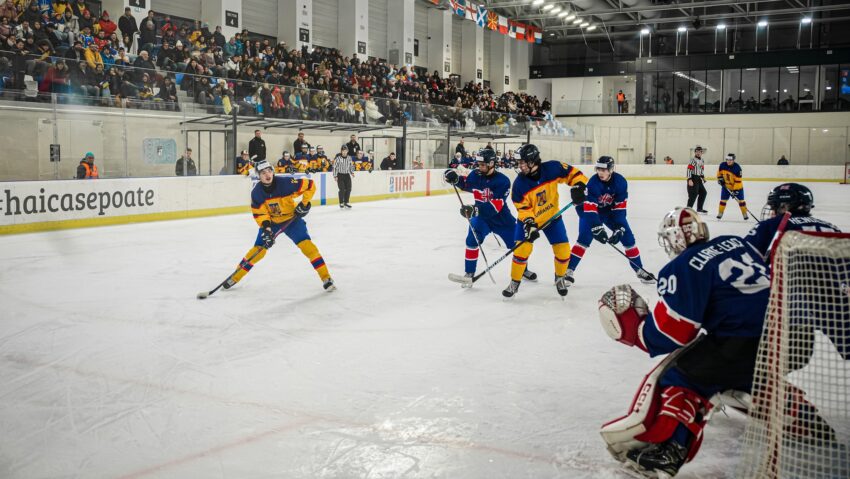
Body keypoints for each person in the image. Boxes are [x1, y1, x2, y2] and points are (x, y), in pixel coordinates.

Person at [598, 207, 771, 478]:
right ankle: (804, 418)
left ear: (676, 238)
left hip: (742, 345)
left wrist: (637, 330)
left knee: (680, 378)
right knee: (744, 375)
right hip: (789, 340)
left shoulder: (682, 266)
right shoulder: (736, 242)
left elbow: (674, 335)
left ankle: (670, 452)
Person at [223, 160, 334, 291]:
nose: (267, 174)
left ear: (273, 172)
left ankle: (326, 278)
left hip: (292, 220)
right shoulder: (257, 193)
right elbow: (261, 214)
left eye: (269, 171)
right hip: (273, 223)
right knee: (258, 251)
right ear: (258, 175)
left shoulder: (286, 183)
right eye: (263, 173)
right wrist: (267, 230)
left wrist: (304, 204)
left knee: (308, 248)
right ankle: (235, 276)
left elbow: (310, 185)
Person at [504, 143, 587, 298]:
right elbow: (523, 209)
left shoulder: (553, 168)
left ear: (532, 161)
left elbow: (573, 174)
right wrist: (529, 224)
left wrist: (580, 187)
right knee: (521, 251)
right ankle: (515, 282)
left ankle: (560, 278)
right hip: (529, 221)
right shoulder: (519, 184)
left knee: (563, 251)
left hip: (552, 218)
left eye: (522, 162)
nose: (519, 165)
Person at [444, 149, 537, 286]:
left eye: (482, 165)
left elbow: (496, 206)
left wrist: (475, 209)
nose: (479, 167)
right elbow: (465, 183)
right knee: (471, 240)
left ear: (491, 163)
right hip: (482, 218)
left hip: (502, 219)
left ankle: (523, 270)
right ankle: (469, 273)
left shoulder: (503, 181)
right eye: (478, 164)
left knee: (518, 244)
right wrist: (453, 177)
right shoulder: (475, 175)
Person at [567, 156, 653, 287]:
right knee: (584, 239)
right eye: (598, 169)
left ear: (611, 169)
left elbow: (620, 208)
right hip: (591, 212)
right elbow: (590, 209)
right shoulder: (593, 183)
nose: (600, 172)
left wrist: (619, 228)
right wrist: (596, 227)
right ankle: (568, 271)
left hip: (609, 212)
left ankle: (639, 270)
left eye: (604, 169)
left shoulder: (620, 182)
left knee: (628, 238)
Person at [745, 183, 841, 260]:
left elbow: (745, 257)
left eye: (774, 206)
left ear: (784, 206)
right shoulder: (833, 228)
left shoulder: (770, 226)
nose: (772, 212)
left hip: (788, 283)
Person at [716, 153, 748, 220]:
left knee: (741, 201)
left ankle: (744, 214)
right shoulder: (722, 165)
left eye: (730, 160)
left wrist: (735, 191)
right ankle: (720, 213)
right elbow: (719, 173)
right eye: (727, 159)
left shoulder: (737, 168)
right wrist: (720, 179)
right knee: (723, 200)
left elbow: (738, 181)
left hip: (737, 187)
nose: (728, 161)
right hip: (726, 187)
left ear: (733, 160)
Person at [686, 145, 707, 213]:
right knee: (693, 194)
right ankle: (688, 210)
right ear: (695, 152)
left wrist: (703, 177)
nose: (698, 153)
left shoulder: (702, 160)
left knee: (703, 192)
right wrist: (689, 179)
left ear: (702, 153)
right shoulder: (693, 160)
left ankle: (699, 208)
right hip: (693, 178)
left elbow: (701, 169)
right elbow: (689, 169)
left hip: (698, 179)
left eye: (699, 152)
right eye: (697, 152)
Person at [333, 144, 354, 209]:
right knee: (342, 189)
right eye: (343, 151)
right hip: (340, 175)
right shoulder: (338, 158)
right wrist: (335, 176)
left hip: (347, 175)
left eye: (345, 150)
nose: (344, 152)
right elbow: (334, 167)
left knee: (349, 189)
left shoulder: (349, 158)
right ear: (341, 151)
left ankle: (346, 202)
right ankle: (341, 202)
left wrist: (352, 172)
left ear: (347, 151)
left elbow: (351, 166)